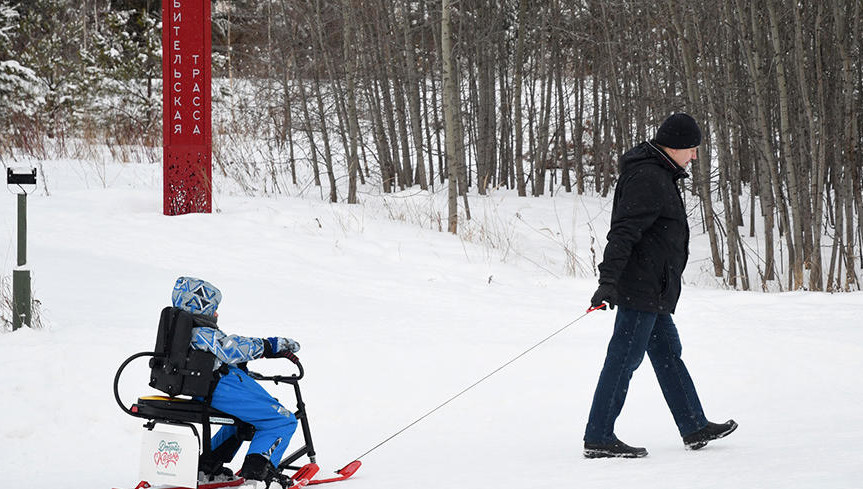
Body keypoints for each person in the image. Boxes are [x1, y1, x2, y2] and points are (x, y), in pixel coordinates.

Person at [583, 113, 737, 458]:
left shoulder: (659, 173)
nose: (694, 157)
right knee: (623, 359)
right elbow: (623, 233)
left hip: (655, 287)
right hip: (642, 287)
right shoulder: (649, 177)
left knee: (668, 354)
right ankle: (599, 436)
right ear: (677, 145)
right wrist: (608, 281)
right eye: (692, 149)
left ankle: (694, 425)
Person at [171, 276, 301, 487]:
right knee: (281, 420)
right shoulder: (201, 332)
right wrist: (271, 346)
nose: (216, 313)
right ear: (199, 306)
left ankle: (208, 466)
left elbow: (214, 358)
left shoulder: (181, 329)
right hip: (221, 388)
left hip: (206, 386)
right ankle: (259, 474)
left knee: (244, 419)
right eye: (213, 308)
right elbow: (231, 349)